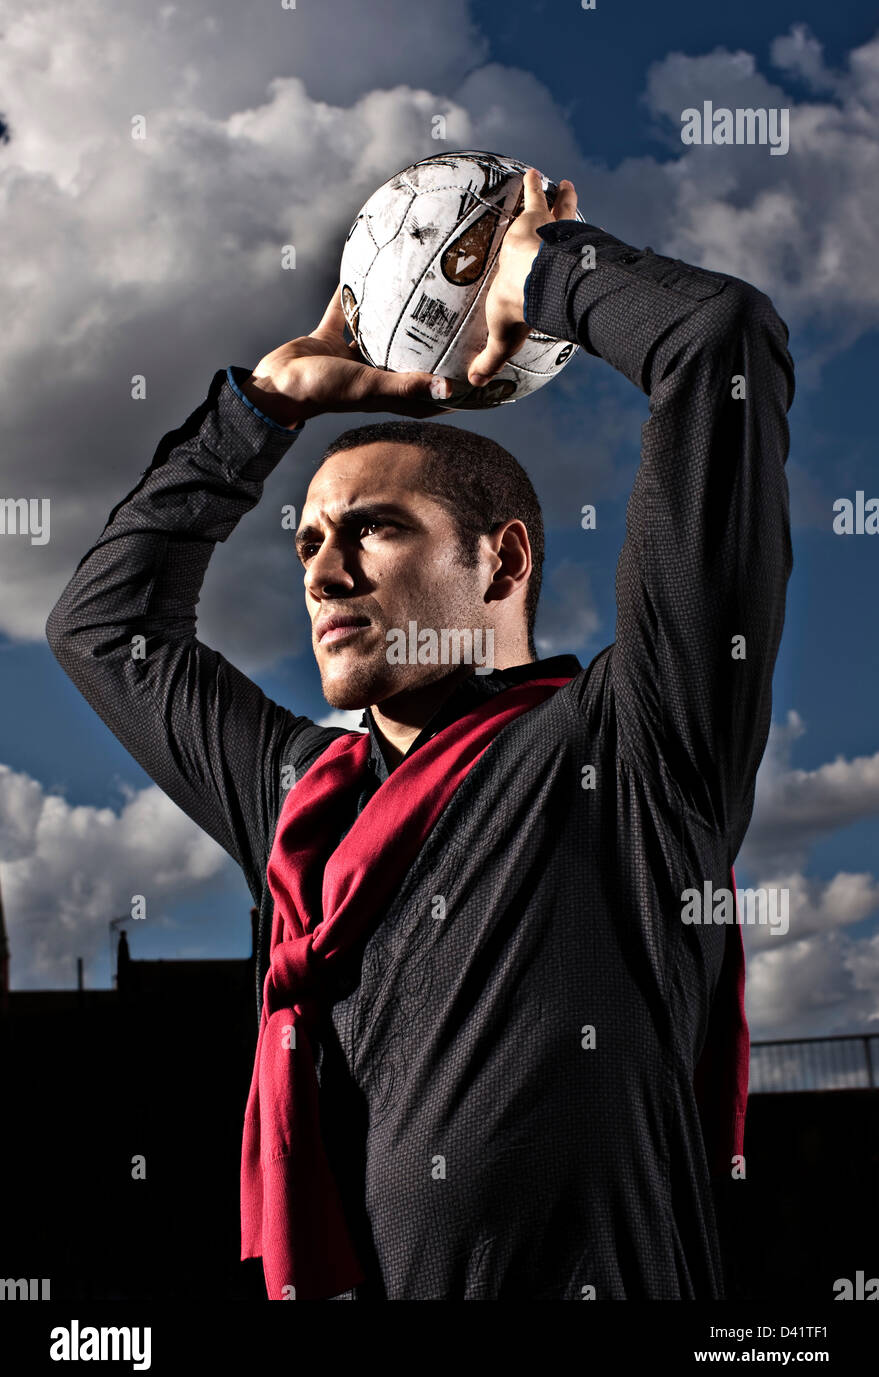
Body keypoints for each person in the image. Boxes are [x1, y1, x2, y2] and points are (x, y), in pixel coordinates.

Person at [46, 169, 794, 1300]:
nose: (325, 571)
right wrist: (263, 409)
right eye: (306, 544)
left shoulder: (637, 745)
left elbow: (719, 345)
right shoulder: (306, 795)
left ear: (504, 559)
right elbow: (103, 629)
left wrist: (545, 273)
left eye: (376, 529)